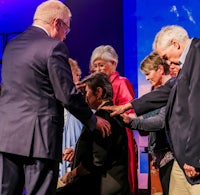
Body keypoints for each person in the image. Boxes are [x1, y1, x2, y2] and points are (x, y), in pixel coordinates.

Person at [0, 1, 111, 195]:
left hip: (7, 137)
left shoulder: (11, 46)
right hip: (40, 139)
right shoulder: (53, 47)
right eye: (66, 30)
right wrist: (92, 120)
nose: (64, 37)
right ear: (57, 23)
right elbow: (67, 94)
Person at [104, 25, 200, 195]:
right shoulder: (187, 62)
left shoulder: (197, 56)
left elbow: (197, 112)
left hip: (192, 157)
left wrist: (195, 159)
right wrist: (129, 106)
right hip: (183, 156)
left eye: (165, 56)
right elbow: (168, 90)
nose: (167, 62)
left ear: (175, 44)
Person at [56, 72, 130, 195]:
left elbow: (96, 161)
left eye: (86, 93)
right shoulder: (110, 114)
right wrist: (78, 153)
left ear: (98, 92)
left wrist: (72, 174)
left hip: (104, 184)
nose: (83, 97)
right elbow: (105, 150)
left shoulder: (103, 117)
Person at [123, 52, 174, 195]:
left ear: (160, 69)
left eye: (148, 73)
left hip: (171, 155)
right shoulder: (154, 91)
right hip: (159, 155)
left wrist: (133, 121)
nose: (146, 78)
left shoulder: (169, 93)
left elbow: (160, 122)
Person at [90, 44, 138, 195]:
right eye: (95, 66)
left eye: (101, 65)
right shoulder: (97, 85)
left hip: (118, 136)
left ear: (114, 64)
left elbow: (129, 113)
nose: (98, 69)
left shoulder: (121, 82)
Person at [59, 58, 83, 178]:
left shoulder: (81, 100)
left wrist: (75, 148)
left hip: (74, 163)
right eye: (76, 74)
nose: (79, 77)